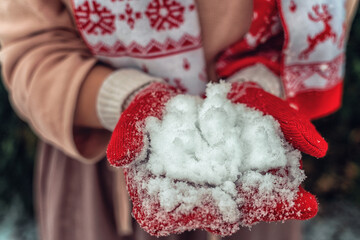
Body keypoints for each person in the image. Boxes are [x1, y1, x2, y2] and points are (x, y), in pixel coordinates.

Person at [0, 1, 358, 240]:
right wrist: (126, 98)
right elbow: (32, 49)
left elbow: (328, 12)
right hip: (103, 172)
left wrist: (261, 81)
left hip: (248, 174)